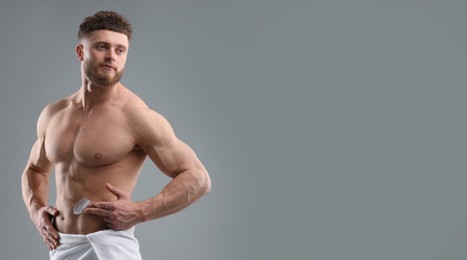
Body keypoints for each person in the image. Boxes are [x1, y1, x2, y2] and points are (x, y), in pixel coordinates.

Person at [21, 11, 211, 259]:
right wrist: (36, 210)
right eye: (102, 47)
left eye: (120, 50)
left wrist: (141, 211)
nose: (112, 56)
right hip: (63, 247)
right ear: (81, 52)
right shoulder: (53, 114)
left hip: (110, 247)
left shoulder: (135, 116)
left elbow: (199, 178)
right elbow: (35, 170)